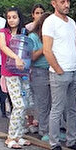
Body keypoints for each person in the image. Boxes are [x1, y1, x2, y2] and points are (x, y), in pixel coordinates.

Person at [43, 0, 76, 150]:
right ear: (54, 3)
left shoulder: (72, 22)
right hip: (59, 72)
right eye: (62, 2)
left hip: (74, 71)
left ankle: (72, 139)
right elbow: (47, 49)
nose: (66, 4)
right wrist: (58, 69)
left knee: (73, 108)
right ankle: (54, 143)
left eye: (68, 1)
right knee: (57, 109)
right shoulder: (50, 22)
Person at [0, 7, 32, 149]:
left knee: (26, 104)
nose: (12, 20)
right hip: (10, 73)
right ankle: (10, 137)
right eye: (9, 17)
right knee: (18, 104)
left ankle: (19, 135)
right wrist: (16, 57)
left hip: (23, 73)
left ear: (19, 18)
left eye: (14, 17)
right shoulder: (3, 32)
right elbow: (3, 47)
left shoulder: (24, 33)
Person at [29, 12, 52, 141]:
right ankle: (43, 130)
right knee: (43, 103)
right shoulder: (33, 37)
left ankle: (53, 130)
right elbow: (32, 57)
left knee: (54, 104)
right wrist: (45, 47)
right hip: (39, 72)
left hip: (53, 71)